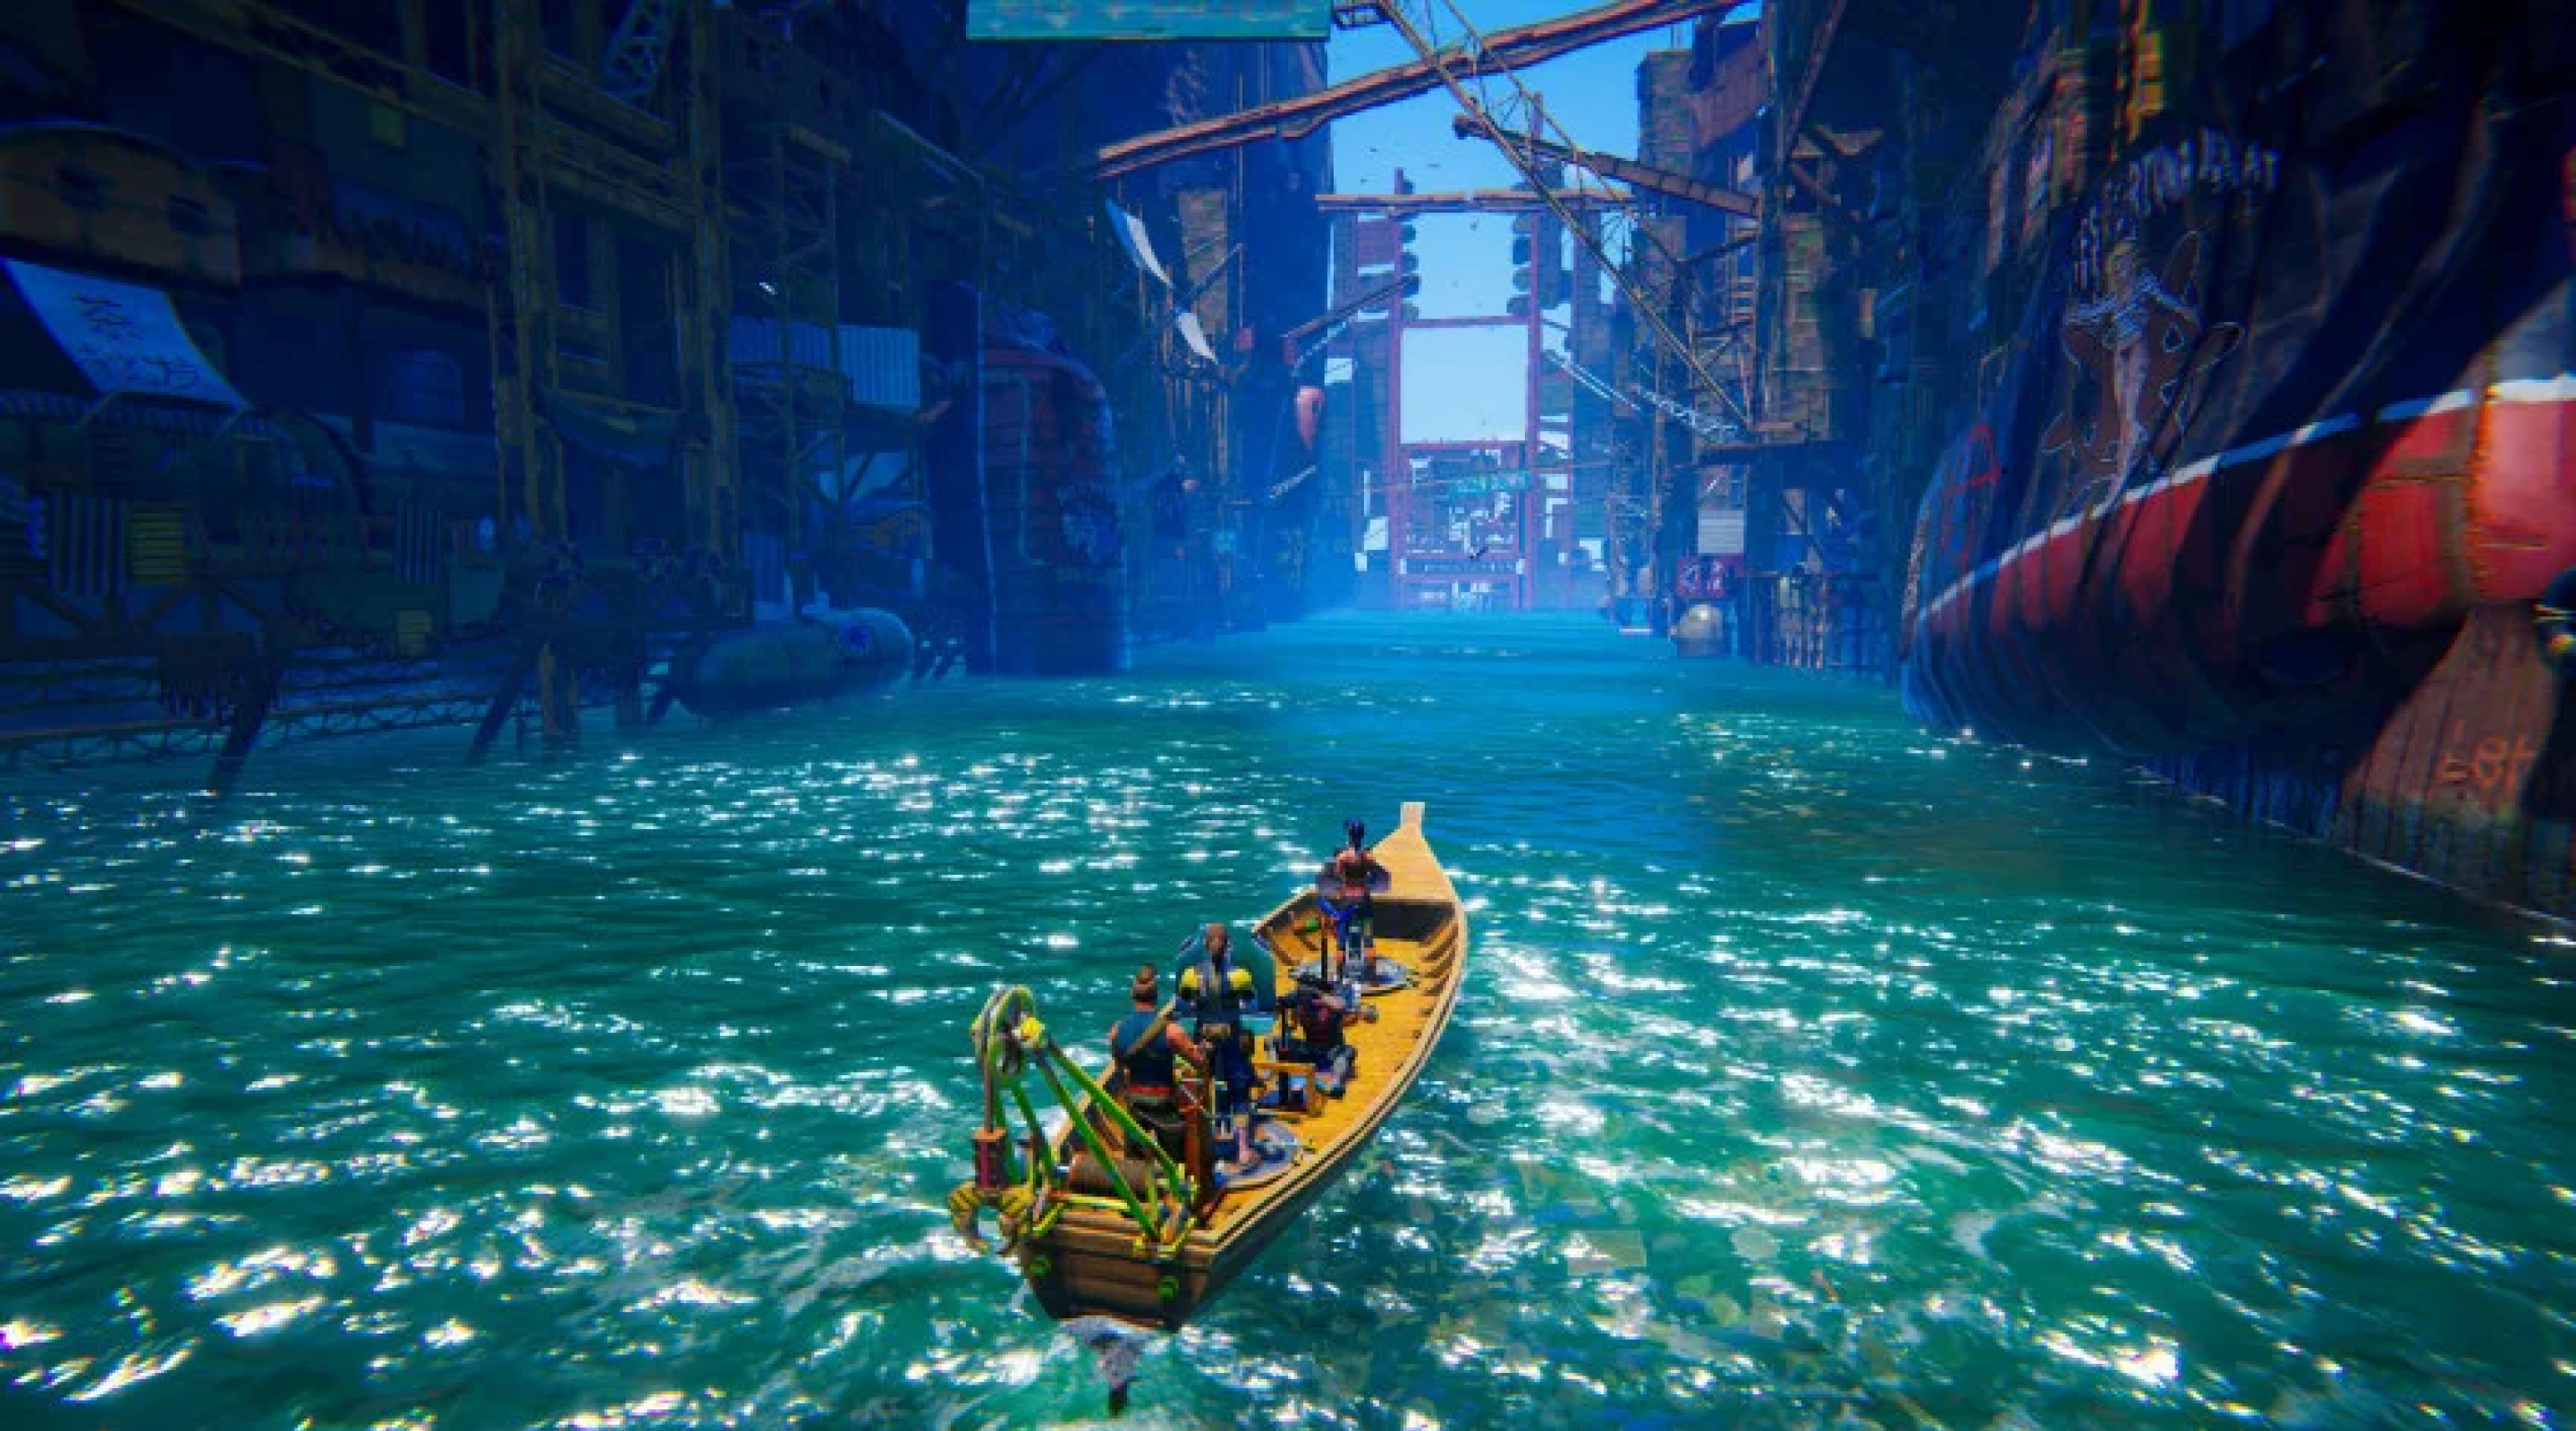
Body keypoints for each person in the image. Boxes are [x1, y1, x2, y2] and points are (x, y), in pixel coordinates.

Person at [1178, 923, 1261, 1174]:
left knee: (1201, 1088)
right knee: (1240, 1090)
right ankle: (1243, 1149)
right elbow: (1251, 1001)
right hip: (1231, 1040)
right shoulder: (1240, 976)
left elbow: (1184, 1001)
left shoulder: (1191, 975)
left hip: (1204, 1041)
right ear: (1228, 947)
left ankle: (1203, 1143)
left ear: (1205, 945)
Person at [1108, 965, 1203, 1158]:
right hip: (1163, 1104)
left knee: (1134, 1161)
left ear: (1133, 996)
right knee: (1175, 1157)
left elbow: (1120, 1067)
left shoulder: (1116, 1031)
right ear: (1156, 997)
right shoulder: (1172, 1032)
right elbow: (1199, 1062)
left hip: (1135, 1103)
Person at [1276, 973, 1377, 1097]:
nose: (1300, 992)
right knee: (1276, 1042)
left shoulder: (1333, 1003)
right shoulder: (1299, 1000)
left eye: (1304, 990)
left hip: (1331, 1053)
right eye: (1300, 989)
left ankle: (1331, 1081)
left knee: (1349, 1052)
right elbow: (1277, 1004)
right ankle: (1280, 1076)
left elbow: (1373, 1016)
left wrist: (1359, 1012)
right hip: (1310, 1050)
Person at [1316, 820, 1389, 982]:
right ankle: (1372, 977)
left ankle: (1340, 976)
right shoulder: (1368, 857)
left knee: (1341, 941)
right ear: (1362, 836)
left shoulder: (1342, 857)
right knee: (1368, 940)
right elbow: (1377, 876)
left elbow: (1337, 877)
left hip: (1347, 900)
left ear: (1349, 835)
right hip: (1363, 899)